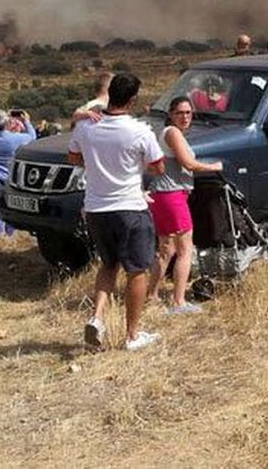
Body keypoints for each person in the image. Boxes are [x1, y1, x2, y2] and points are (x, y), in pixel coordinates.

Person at [69, 74, 166, 351]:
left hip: (96, 208)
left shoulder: (87, 127)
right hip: (130, 207)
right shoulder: (140, 131)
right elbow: (157, 167)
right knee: (137, 271)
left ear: (109, 94)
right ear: (133, 100)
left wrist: (97, 165)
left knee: (108, 264)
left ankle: (97, 317)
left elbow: (73, 157)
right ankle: (132, 335)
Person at [147, 97, 223, 314]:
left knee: (166, 249)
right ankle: (178, 301)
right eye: (180, 112)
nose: (185, 117)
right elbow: (188, 163)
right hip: (172, 195)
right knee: (185, 248)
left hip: (162, 194)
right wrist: (213, 167)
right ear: (170, 114)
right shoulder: (172, 133)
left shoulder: (166, 134)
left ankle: (151, 295)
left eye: (189, 113)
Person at [0, 109, 36, 236]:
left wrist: (1, 116)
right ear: (6, 123)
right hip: (10, 181)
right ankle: (10, 234)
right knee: (10, 210)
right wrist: (26, 121)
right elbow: (32, 136)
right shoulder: (16, 139)